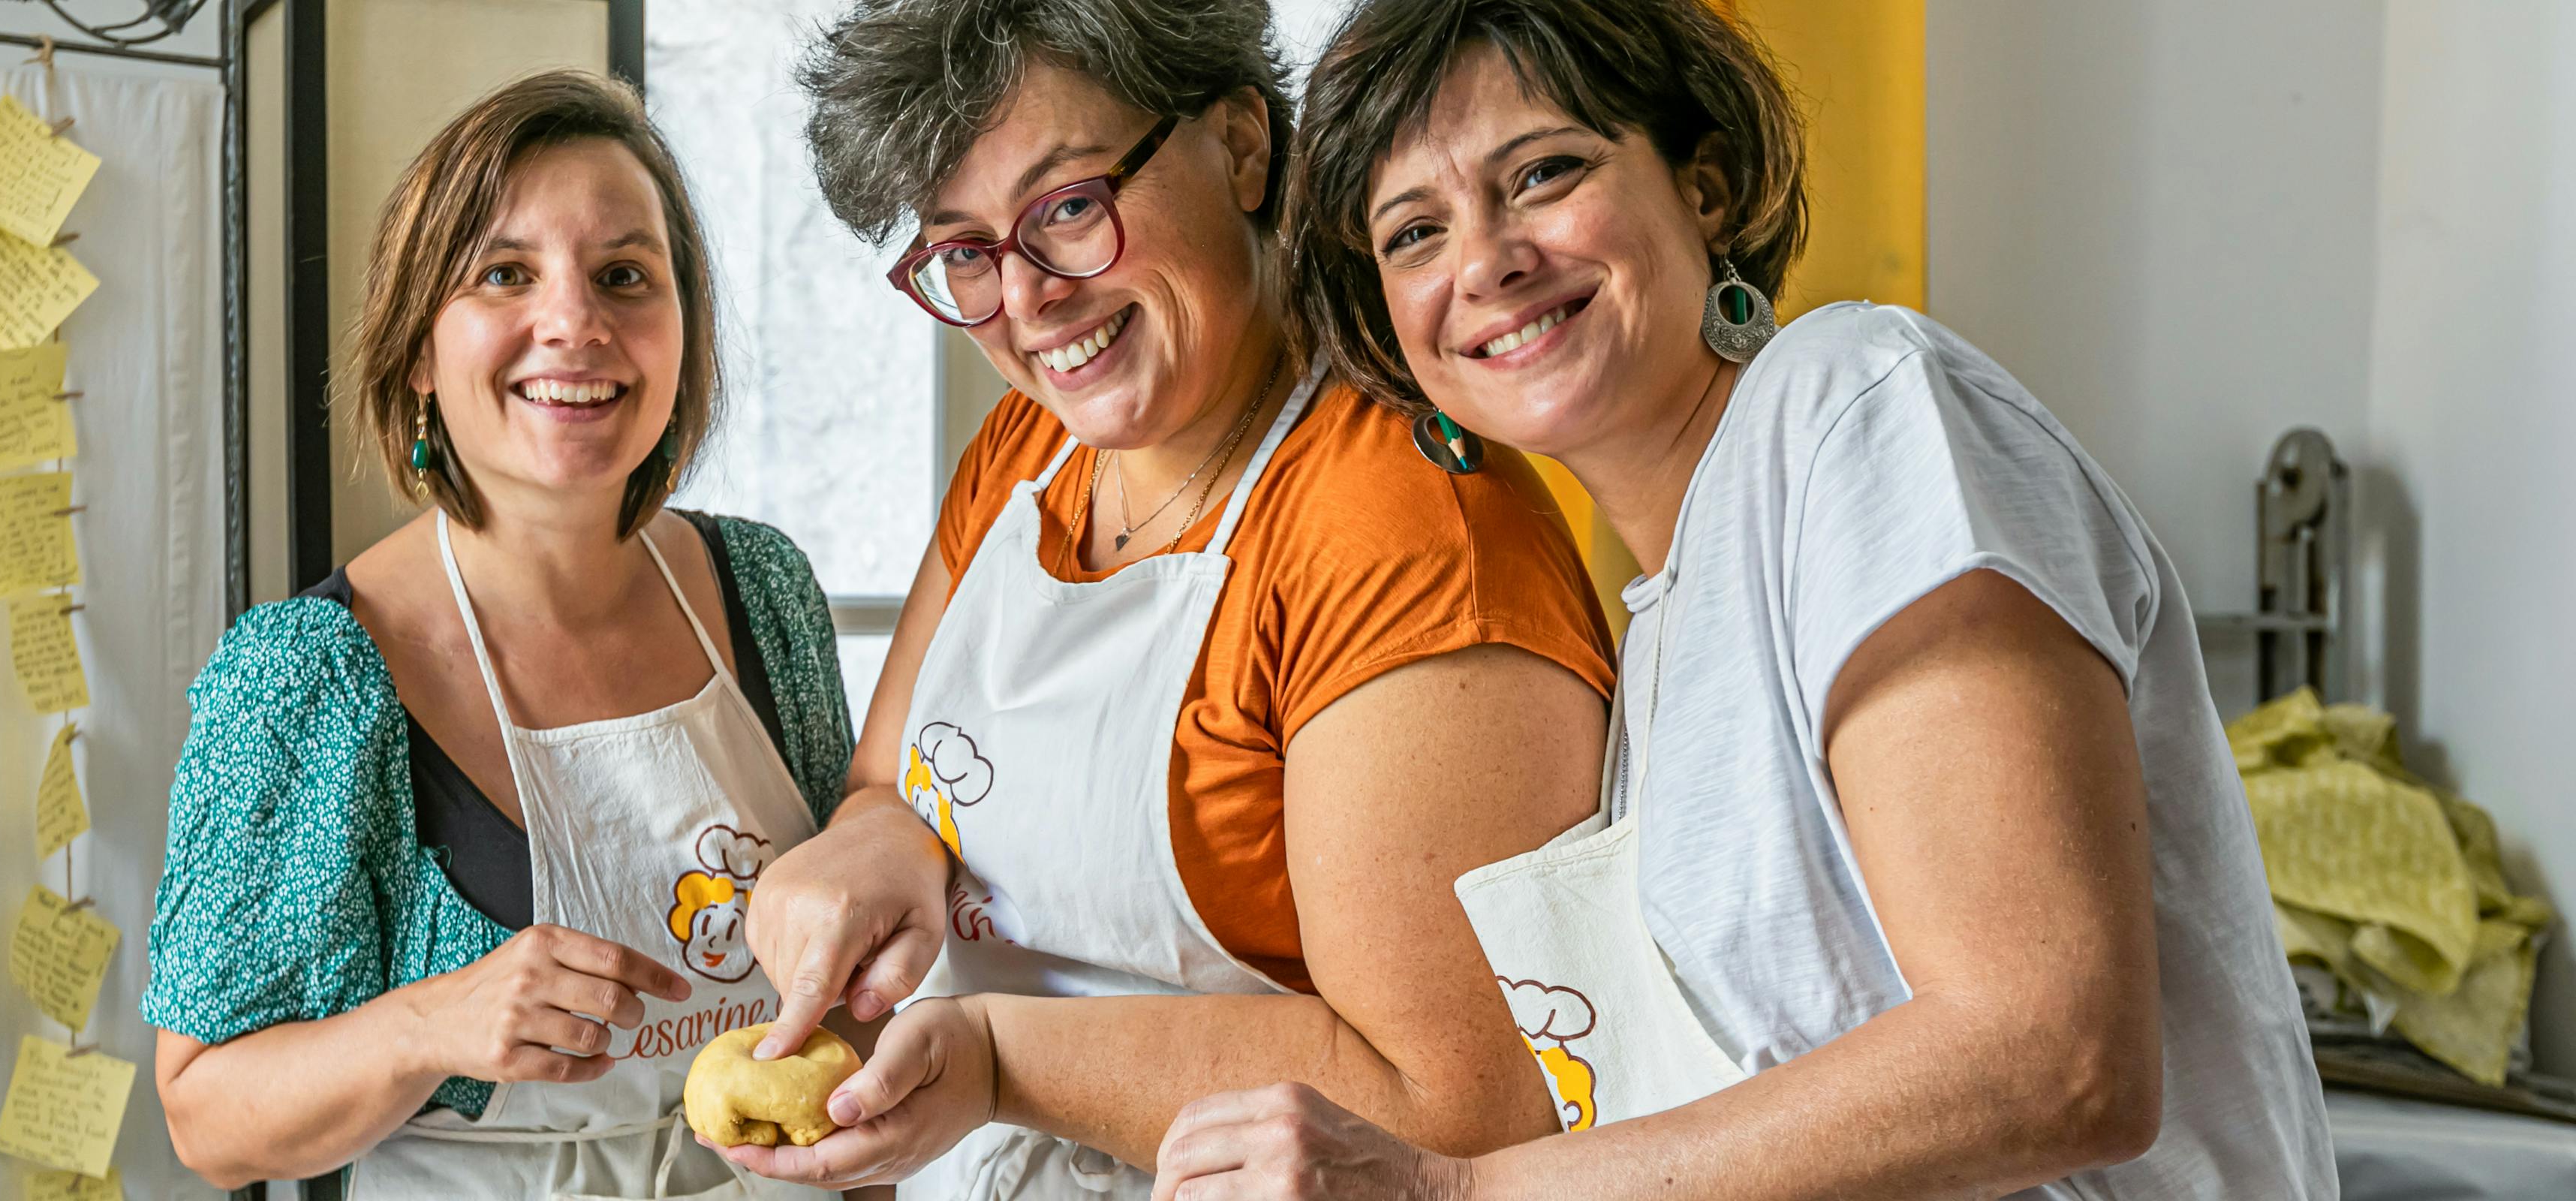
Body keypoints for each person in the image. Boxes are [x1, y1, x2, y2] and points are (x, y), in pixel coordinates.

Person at [1148, 2, 2341, 1196]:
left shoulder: (1856, 408)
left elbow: (2053, 1058)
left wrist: (1458, 1190)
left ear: (1705, 186)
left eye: (1545, 173)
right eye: (1414, 234)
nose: (1485, 261)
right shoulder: (1663, 631)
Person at [712, 1, 1621, 1196]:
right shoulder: (1029, 454)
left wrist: (1002, 1061)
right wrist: (874, 840)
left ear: (1242, 144)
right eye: (965, 250)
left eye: (1068, 208)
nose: (1027, 299)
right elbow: (890, 781)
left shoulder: (1403, 537)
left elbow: (1458, 1108)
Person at [143, 71, 858, 1199]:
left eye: (625, 276)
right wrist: (430, 1022)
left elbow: (848, 974)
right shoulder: (306, 675)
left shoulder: (764, 589)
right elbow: (205, 1115)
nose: (575, 323)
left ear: (684, 334)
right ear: (420, 351)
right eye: (505, 274)